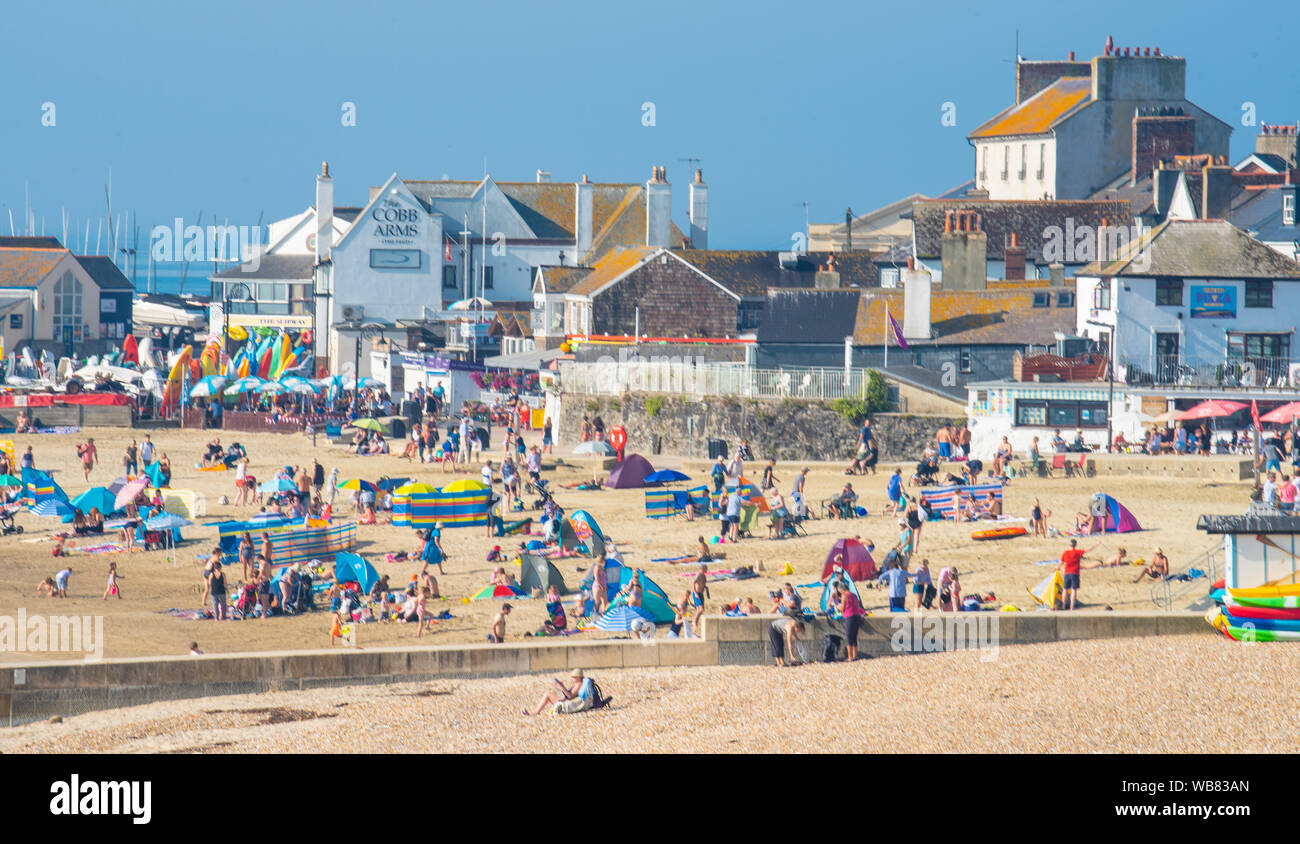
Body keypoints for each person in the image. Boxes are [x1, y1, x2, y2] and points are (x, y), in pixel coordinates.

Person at [523, 668, 588, 716]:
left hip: (568, 702)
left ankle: (536, 712)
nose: (573, 678)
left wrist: (561, 688)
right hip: (567, 701)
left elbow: (570, 696)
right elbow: (569, 694)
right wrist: (562, 686)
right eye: (573, 677)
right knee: (548, 694)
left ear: (579, 677)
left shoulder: (578, 684)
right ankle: (536, 711)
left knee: (547, 694)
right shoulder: (577, 684)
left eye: (574, 677)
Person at [1057, 539, 1098, 611]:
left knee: (1065, 590)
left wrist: (1057, 567)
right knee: (1073, 590)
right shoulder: (1077, 552)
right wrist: (1096, 544)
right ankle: (1071, 607)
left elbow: (1060, 563)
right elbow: (1088, 550)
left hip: (1067, 573)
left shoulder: (1065, 553)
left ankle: (1063, 606)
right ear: (1075, 545)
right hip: (1075, 573)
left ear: (1069, 545)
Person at [691, 563, 710, 633]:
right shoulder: (698, 575)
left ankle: (696, 622)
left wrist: (705, 587)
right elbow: (693, 583)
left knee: (700, 609)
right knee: (701, 609)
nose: (707, 569)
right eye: (705, 568)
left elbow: (702, 583)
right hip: (697, 594)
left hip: (701, 593)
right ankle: (694, 621)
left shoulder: (704, 576)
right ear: (702, 568)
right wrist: (695, 593)